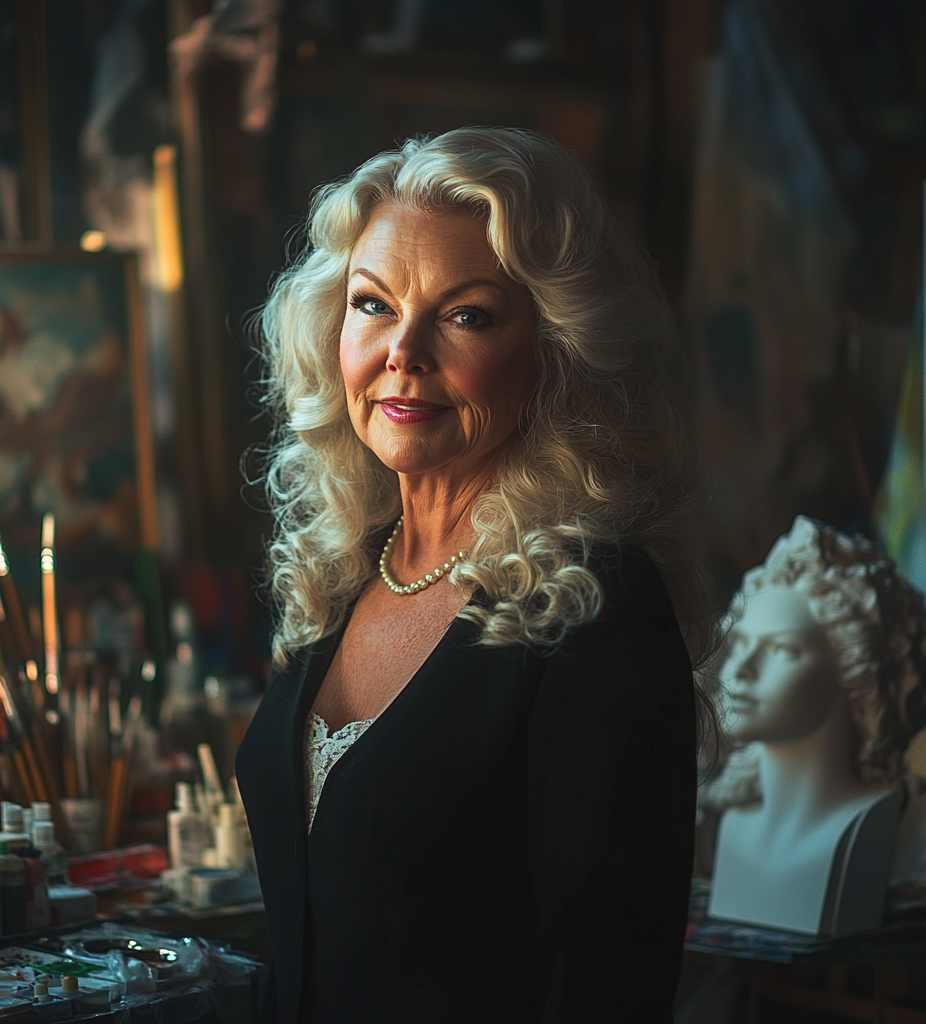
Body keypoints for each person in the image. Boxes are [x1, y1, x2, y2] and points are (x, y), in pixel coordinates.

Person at [235, 126, 711, 1023]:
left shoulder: (595, 602)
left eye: (468, 315)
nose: (403, 352)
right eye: (374, 304)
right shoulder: (347, 573)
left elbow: (608, 980)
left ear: (556, 349)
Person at [704, 516, 926, 931]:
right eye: (740, 644)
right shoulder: (733, 827)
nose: (741, 670)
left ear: (857, 672)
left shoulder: (880, 826)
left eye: (782, 649)